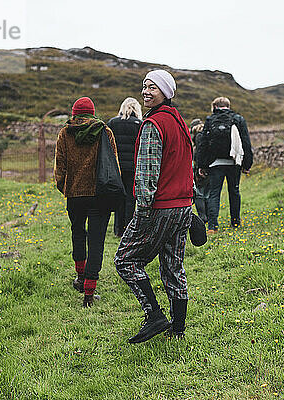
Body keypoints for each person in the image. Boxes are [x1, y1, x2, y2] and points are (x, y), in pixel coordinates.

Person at [114, 70, 194, 343]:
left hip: (160, 206)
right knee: (173, 265)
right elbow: (185, 165)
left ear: (165, 92)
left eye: (153, 88)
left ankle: (155, 316)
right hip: (183, 205)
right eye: (144, 86)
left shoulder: (153, 125)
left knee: (125, 260)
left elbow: (147, 173)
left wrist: (142, 212)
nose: (146, 92)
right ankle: (178, 328)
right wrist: (191, 201)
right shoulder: (178, 121)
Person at [54, 96, 120, 307]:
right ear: (92, 112)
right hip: (100, 194)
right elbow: (114, 164)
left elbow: (59, 168)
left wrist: (64, 187)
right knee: (96, 241)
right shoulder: (104, 131)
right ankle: (89, 294)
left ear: (74, 113)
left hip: (74, 195)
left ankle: (81, 278)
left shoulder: (65, 133)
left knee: (78, 233)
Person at [197, 97, 253, 234]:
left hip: (215, 163)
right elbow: (245, 142)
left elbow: (202, 143)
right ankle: (235, 223)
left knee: (214, 193)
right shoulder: (238, 119)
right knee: (234, 192)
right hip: (234, 163)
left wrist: (202, 165)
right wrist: (247, 164)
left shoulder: (210, 120)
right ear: (228, 106)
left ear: (215, 106)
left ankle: (212, 227)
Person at [108, 98, 143, 237]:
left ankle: (118, 229)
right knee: (130, 197)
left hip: (117, 167)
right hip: (133, 167)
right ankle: (129, 227)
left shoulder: (112, 123)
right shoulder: (139, 124)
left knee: (119, 196)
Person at [190, 118, 209, 223]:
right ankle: (209, 216)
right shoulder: (207, 133)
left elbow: (199, 153)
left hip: (201, 168)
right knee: (208, 193)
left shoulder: (198, 136)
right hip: (210, 167)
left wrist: (198, 168)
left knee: (199, 194)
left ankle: (203, 217)